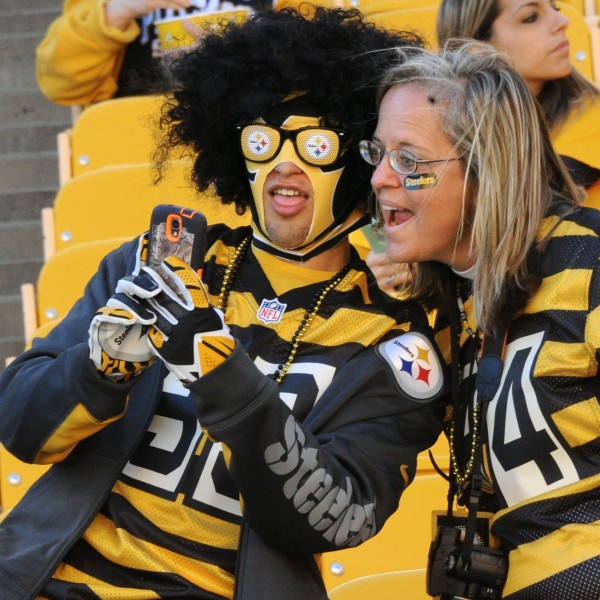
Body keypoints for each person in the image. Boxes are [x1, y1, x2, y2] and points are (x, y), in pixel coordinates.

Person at [0, 9, 447, 599]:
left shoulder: (394, 348)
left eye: (316, 143)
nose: (284, 164)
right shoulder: (164, 259)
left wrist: (222, 376)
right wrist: (99, 370)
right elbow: (22, 431)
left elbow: (331, 518)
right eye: (263, 139)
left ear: (365, 161)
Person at [361, 39, 600, 599]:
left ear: (486, 169)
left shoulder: (590, 261)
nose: (380, 180)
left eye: (410, 161)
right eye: (378, 153)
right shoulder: (446, 302)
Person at [437, 0, 600, 209]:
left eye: (555, 8)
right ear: (479, 50)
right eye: (531, 17)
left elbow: (524, 203)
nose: (563, 21)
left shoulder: (590, 112)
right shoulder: (446, 125)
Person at [36, 0, 271, 105]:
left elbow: (305, 64)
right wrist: (116, 12)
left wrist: (235, 53)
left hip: (251, 137)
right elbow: (59, 82)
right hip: (136, 143)